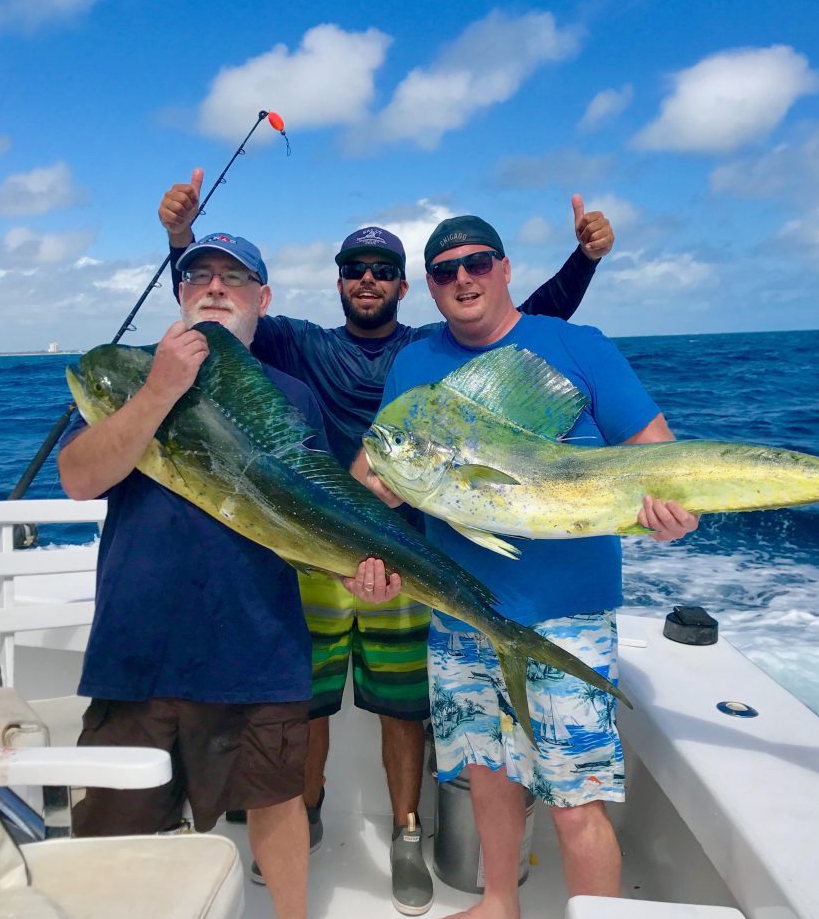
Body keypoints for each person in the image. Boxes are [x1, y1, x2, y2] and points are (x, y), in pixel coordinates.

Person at [158, 174, 615, 915]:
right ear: (337, 281)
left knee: (403, 708)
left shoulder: (430, 349)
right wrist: (180, 241)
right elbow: (220, 314)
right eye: (353, 269)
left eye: (382, 271)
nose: (366, 281)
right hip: (315, 548)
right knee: (304, 703)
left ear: (407, 287)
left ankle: (405, 830)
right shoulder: (300, 345)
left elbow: (527, 321)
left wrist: (584, 261)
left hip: (410, 554)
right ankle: (301, 817)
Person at [354, 215, 699, 918]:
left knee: (575, 798)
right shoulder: (415, 364)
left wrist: (674, 515)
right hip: (460, 609)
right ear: (430, 287)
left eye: (477, 262)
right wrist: (374, 506)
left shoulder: (577, 347)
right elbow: (375, 469)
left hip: (565, 616)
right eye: (446, 271)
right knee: (486, 770)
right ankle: (500, 902)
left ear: (506, 268)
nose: (463, 279)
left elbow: (663, 460)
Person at [58, 232, 378, 919]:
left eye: (234, 278)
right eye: (197, 274)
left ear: (263, 300)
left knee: (276, 805)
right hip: (138, 648)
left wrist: (360, 574)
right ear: (178, 294)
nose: (213, 287)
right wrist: (158, 390)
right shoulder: (125, 372)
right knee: (114, 830)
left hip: (258, 647)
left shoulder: (291, 394)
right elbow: (80, 478)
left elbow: (317, 517)